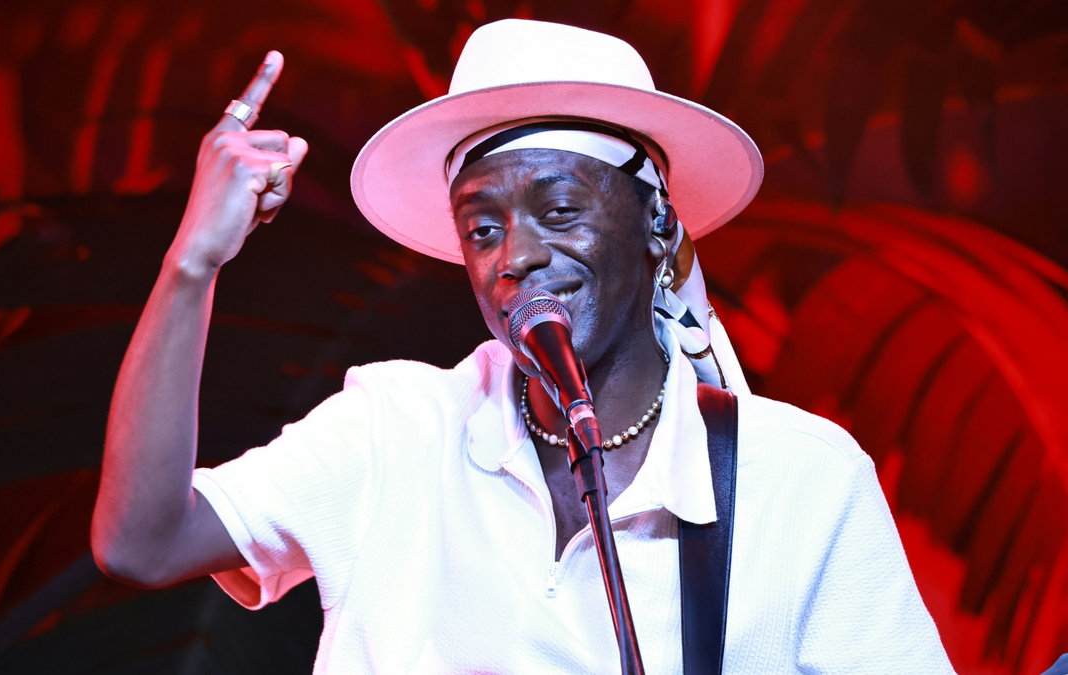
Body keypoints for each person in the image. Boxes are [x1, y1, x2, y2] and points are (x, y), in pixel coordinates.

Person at [92, 19, 955, 675]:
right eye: (482, 228)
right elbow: (142, 540)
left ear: (658, 227)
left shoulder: (798, 481)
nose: (517, 256)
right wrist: (192, 263)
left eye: (561, 210)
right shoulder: (394, 429)